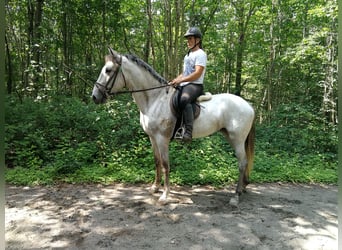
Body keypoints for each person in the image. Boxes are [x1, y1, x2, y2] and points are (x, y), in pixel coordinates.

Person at [169, 27, 207, 143]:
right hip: (186, 84)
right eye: (187, 39)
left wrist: (181, 81)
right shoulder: (188, 55)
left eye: (190, 39)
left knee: (184, 99)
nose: (188, 41)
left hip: (196, 85)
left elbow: (197, 73)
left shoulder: (200, 54)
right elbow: (185, 73)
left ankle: (188, 133)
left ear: (197, 40)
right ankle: (175, 128)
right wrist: (175, 80)